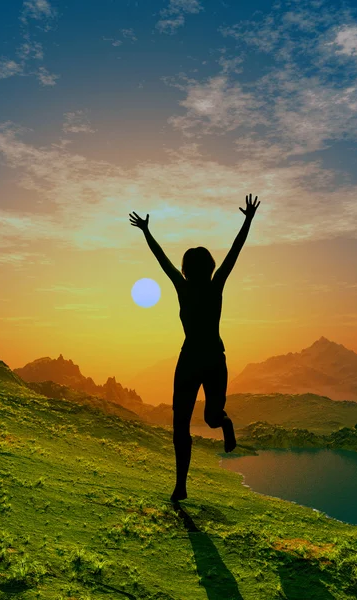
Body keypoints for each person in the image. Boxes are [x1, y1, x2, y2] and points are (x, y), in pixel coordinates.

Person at [129, 193, 260, 502]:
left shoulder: (192, 286)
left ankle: (224, 423)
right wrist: (247, 221)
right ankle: (181, 485)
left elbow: (165, 260)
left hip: (202, 359)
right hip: (205, 358)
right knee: (182, 423)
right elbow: (232, 252)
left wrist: (147, 232)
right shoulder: (208, 285)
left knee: (208, 418)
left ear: (188, 269)